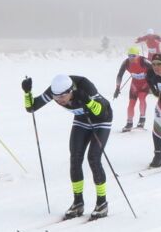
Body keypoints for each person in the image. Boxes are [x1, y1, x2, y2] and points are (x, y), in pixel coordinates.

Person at [22, 74, 113, 220]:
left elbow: (101, 112)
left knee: (93, 159)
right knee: (75, 159)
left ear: (71, 90)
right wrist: (27, 92)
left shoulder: (85, 85)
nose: (60, 101)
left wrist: (87, 101)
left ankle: (102, 203)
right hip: (82, 120)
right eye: (56, 99)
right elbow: (32, 107)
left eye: (62, 98)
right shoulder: (55, 90)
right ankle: (78, 203)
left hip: (102, 120)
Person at [114, 46, 150, 131]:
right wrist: (117, 88)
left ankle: (142, 120)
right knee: (131, 103)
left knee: (141, 98)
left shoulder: (143, 61)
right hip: (134, 85)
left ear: (138, 55)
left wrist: (155, 83)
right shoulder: (126, 63)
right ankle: (129, 123)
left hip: (145, 84)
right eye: (129, 56)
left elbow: (155, 69)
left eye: (133, 56)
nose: (131, 58)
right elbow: (119, 75)